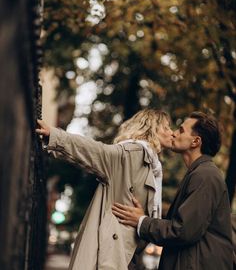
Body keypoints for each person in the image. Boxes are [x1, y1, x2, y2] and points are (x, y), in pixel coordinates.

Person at [36, 109, 173, 270]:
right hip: (112, 251)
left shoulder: (152, 166)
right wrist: (54, 135)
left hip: (128, 252)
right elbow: (96, 151)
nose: (172, 132)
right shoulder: (133, 153)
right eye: (166, 127)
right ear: (151, 129)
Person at [112, 111, 233, 270]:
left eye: (181, 130)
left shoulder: (205, 176)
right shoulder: (199, 173)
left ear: (196, 141)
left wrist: (142, 221)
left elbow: (182, 231)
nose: (174, 133)